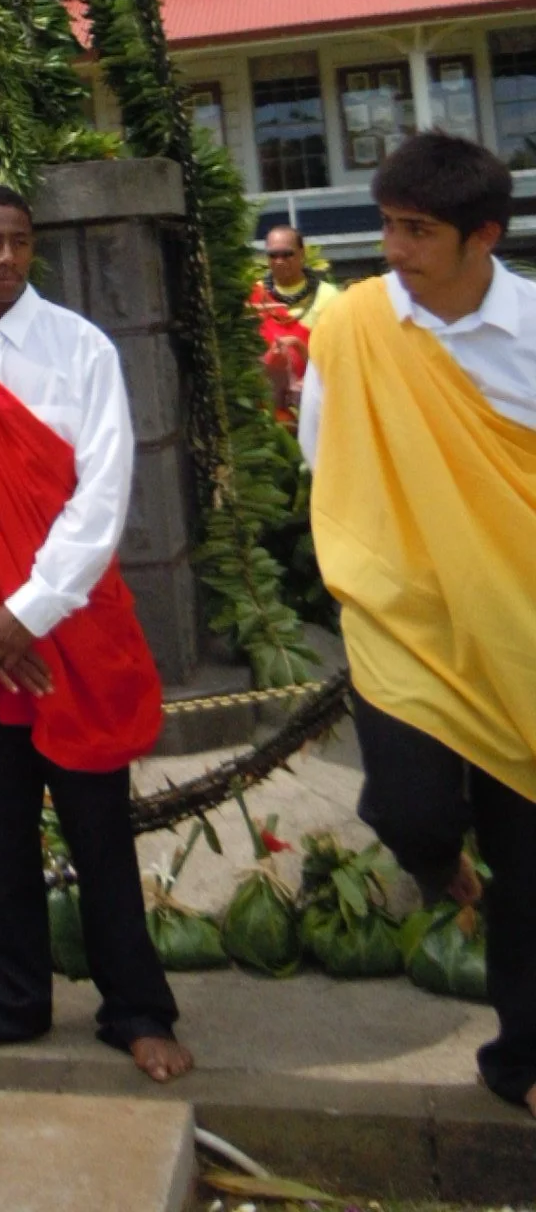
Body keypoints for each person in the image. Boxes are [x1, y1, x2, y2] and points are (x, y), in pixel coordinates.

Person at [0, 182, 192, 1083]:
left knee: (100, 827)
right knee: (1, 825)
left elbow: (103, 495)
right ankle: (14, 1001)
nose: (7, 258)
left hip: (72, 629)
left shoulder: (82, 348)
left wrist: (32, 609)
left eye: (20, 241)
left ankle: (136, 1007)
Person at [301, 131, 536, 1117]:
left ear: (483, 234)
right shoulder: (352, 325)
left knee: (528, 860)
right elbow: (327, 450)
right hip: (401, 614)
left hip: (519, 617)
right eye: (389, 223)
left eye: (419, 230)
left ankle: (521, 1057)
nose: (393, 248)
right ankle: (444, 866)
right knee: (409, 807)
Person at [248, 225, 339, 421]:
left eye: (287, 254)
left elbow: (338, 355)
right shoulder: (254, 296)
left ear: (301, 254)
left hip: (317, 405)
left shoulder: (328, 296)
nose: (279, 261)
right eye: (273, 255)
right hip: (264, 411)